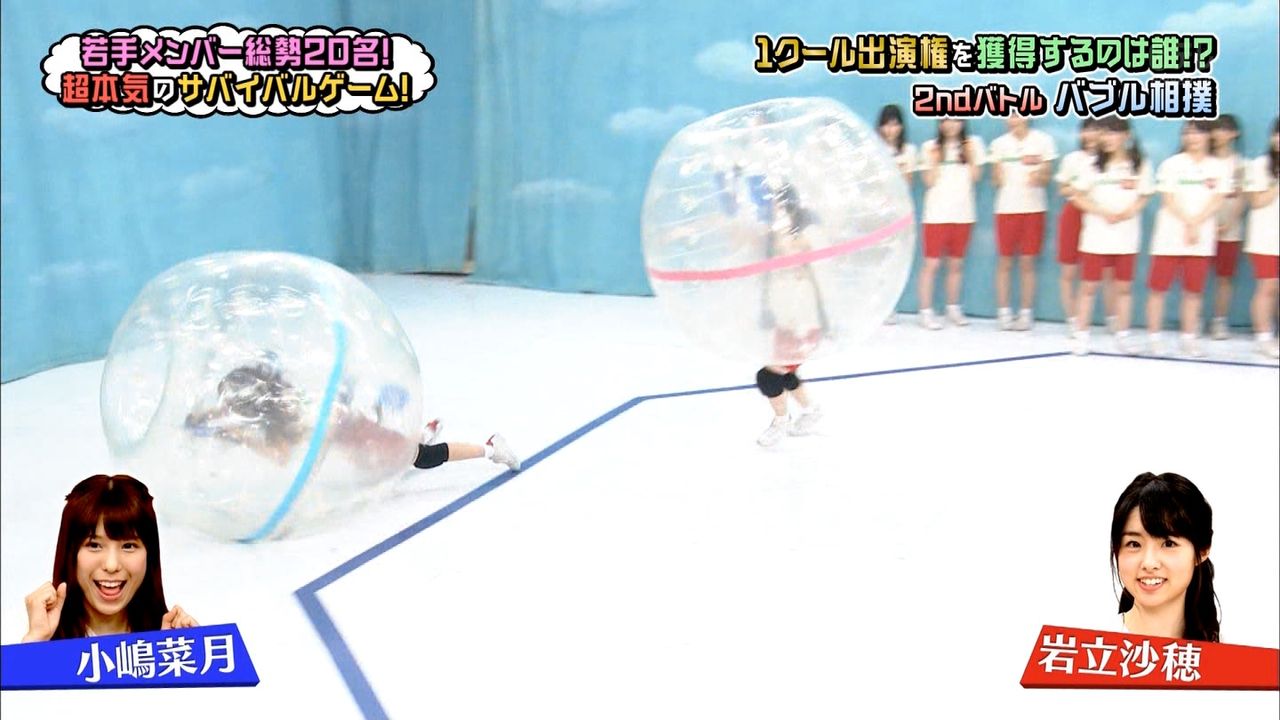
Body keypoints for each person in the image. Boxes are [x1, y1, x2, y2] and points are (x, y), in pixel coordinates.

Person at [185, 357, 521, 472]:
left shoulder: (285, 414)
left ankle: (491, 448)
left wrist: (234, 433)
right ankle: (418, 434)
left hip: (356, 432)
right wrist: (218, 423)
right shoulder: (278, 401)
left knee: (421, 459)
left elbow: (282, 455)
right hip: (353, 430)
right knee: (390, 462)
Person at [23, 475, 198, 642]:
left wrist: (184, 653)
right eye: (94, 545)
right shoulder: (42, 641)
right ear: (70, 554)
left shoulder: (171, 638)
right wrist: (36, 642)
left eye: (128, 546)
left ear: (149, 555)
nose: (112, 565)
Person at [1146, 121, 1230, 357]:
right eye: (1188, 133)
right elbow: (1168, 199)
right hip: (1169, 238)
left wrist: (1196, 223)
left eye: (1198, 133)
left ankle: (1189, 338)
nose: (1192, 138)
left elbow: (1217, 199)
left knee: (1193, 291)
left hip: (1201, 238)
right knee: (1158, 289)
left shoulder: (1219, 167)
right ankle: (1154, 337)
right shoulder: (1172, 164)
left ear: (1208, 136)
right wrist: (1189, 222)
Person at [1069, 117, 1152, 355]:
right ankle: (1081, 336)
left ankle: (1123, 335)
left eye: (1113, 133)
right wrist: (1102, 211)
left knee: (1123, 288)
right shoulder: (1091, 164)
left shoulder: (1139, 164)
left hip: (1126, 237)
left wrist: (1129, 212)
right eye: (1104, 134)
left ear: (1126, 135)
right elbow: (1077, 196)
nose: (1107, 138)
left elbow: (1145, 195)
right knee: (1088, 287)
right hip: (1096, 236)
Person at [1110, 472, 1219, 642]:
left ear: (1203, 550)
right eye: (1134, 544)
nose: (1149, 563)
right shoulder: (1088, 646)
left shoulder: (1233, 653)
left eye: (1168, 544)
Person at [755, 182, 825, 447]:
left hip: (803, 323)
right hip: (788, 320)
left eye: (776, 204)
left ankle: (781, 421)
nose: (771, 210)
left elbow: (791, 252)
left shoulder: (801, 236)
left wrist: (778, 225)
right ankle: (812, 410)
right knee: (786, 373)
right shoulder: (777, 235)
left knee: (768, 375)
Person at [989, 112, 1057, 331]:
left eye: (1017, 115)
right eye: (1009, 116)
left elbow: (1047, 177)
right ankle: (1004, 312)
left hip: (1034, 209)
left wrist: (1039, 175)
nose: (1013, 120)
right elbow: (995, 180)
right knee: (1005, 262)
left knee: (1028, 262)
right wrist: (999, 172)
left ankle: (1026, 313)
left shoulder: (1043, 141)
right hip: (1006, 209)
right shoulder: (999, 144)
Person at [918, 119, 984, 329]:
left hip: (963, 214)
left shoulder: (973, 144)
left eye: (956, 119)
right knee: (932, 264)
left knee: (956, 264)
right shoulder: (929, 147)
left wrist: (970, 155)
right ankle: (926, 312)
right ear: (939, 123)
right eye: (946, 119)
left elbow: (976, 176)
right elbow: (928, 181)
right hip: (936, 215)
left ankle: (953, 308)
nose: (951, 124)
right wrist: (935, 160)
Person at [1055, 118, 1114, 334]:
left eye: (1097, 129)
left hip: (1102, 216)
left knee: (1107, 270)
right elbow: (1062, 189)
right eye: (1086, 130)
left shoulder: (1113, 159)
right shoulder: (1072, 159)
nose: (1091, 134)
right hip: (1074, 214)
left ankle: (1113, 318)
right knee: (1069, 270)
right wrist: (1079, 190)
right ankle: (1073, 319)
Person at [1208, 115, 1247, 341]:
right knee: (1196, 277)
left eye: (1224, 129)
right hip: (1202, 228)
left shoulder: (1240, 164)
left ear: (1234, 134)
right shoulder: (1204, 162)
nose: (1219, 134)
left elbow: (1242, 197)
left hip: (1229, 230)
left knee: (1224, 278)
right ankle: (1190, 321)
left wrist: (1229, 223)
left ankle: (1219, 321)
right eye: (1216, 129)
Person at [876, 104, 916, 326]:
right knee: (879, 258)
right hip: (879, 211)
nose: (890, 129)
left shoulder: (908, 151)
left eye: (894, 124)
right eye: (886, 125)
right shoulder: (874, 149)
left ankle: (891, 305)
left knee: (895, 258)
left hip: (900, 213)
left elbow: (908, 183)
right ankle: (880, 306)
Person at [1243, 117, 1280, 359]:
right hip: (1265, 238)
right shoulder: (1259, 165)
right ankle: (1264, 337)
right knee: (1268, 286)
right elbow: (1256, 201)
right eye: (1276, 133)